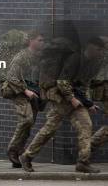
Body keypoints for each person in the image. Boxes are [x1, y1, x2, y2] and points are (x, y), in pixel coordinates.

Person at [20, 37, 105, 173]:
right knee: (64, 127)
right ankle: (27, 156)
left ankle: (82, 162)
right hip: (60, 95)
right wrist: (72, 99)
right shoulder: (75, 59)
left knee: (72, 126)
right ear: (90, 47)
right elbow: (62, 82)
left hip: (69, 96)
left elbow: (83, 85)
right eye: (99, 50)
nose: (101, 53)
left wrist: (88, 103)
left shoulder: (91, 63)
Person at [4, 32, 44, 167]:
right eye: (40, 40)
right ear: (31, 41)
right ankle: (12, 149)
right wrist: (25, 91)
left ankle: (19, 151)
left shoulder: (39, 58)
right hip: (19, 92)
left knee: (29, 123)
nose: (42, 43)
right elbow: (11, 77)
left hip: (34, 94)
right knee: (26, 119)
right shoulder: (21, 57)